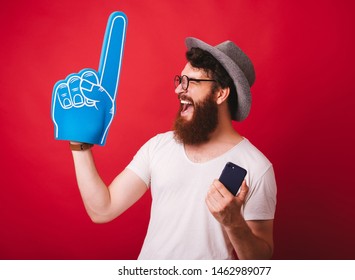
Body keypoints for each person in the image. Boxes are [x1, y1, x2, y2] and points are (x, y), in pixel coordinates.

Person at [70, 37, 277, 260]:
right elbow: (103, 210)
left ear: (220, 93)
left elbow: (260, 263)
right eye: (180, 80)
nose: (179, 89)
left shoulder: (256, 167)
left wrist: (234, 223)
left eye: (190, 82)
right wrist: (78, 142)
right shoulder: (159, 146)